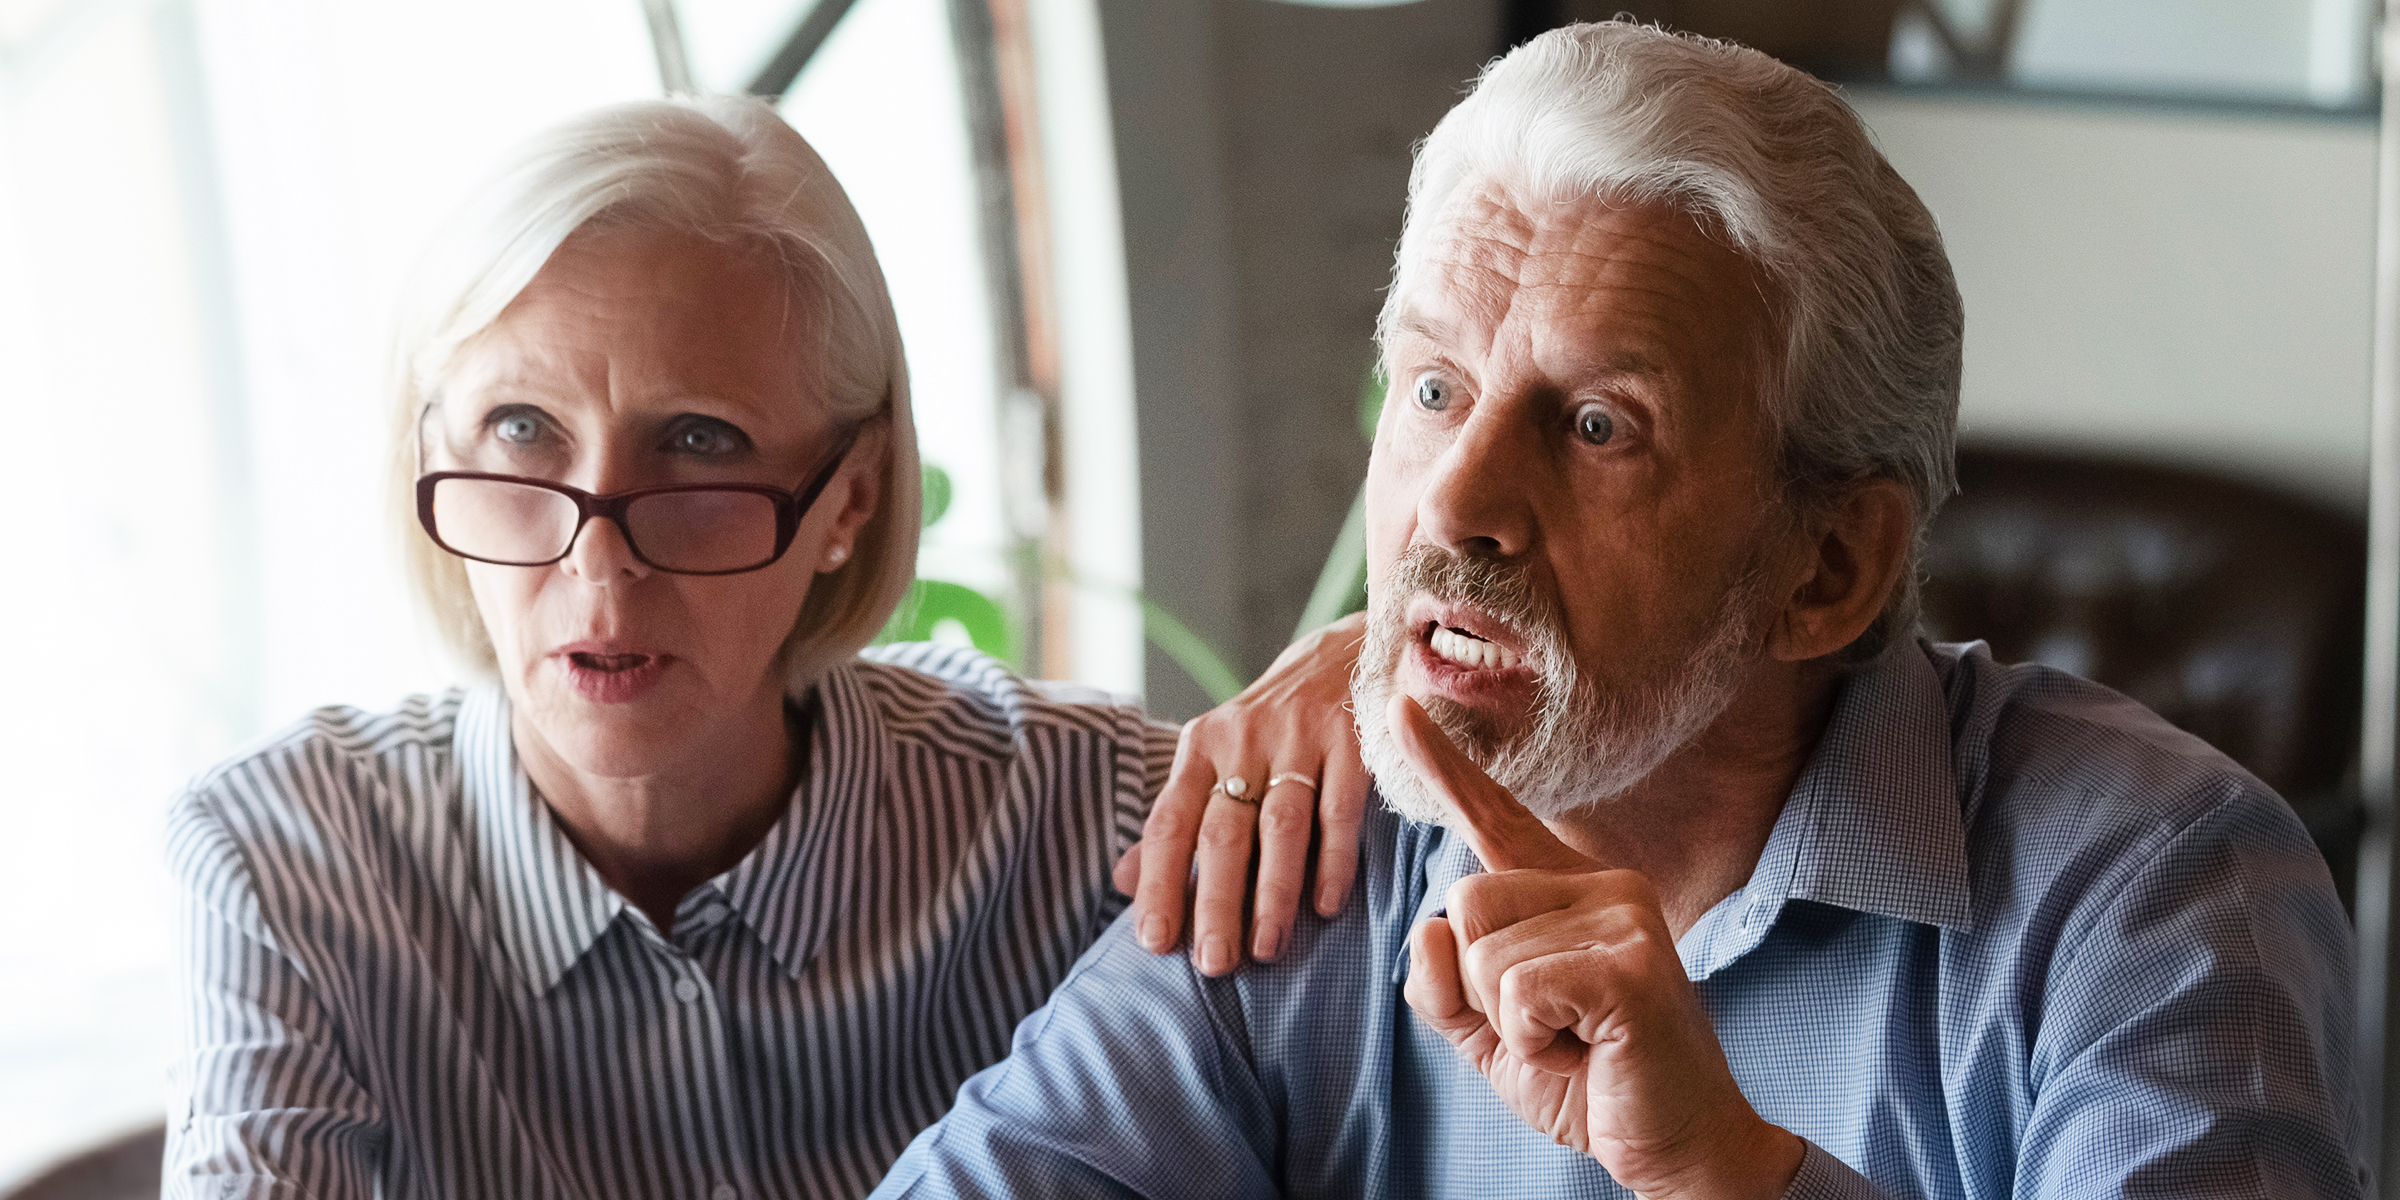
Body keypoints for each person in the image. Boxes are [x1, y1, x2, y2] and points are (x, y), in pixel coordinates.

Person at [871, 21, 2364, 1200]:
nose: (1455, 506)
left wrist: (1723, 1170)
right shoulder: (1315, 834)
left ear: (1828, 568)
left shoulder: (2158, 896)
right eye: (1436, 388)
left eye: (1596, 426)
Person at [162, 96, 1366, 1199]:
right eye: (520, 427)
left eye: (698, 441)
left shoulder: (1081, 816)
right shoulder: (288, 868)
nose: (598, 560)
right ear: (428, 453)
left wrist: (1374, 679)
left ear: (851, 497)